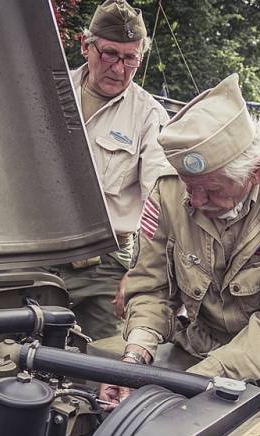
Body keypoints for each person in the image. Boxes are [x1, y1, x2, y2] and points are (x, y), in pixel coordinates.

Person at [99, 74, 260, 405]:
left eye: (212, 189)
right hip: (202, 344)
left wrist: (196, 381)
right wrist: (135, 357)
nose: (196, 202)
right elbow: (151, 286)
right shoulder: (169, 189)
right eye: (191, 186)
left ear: (255, 173)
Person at [57, 0, 170, 341]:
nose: (119, 69)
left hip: (106, 265)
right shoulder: (51, 91)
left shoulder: (148, 115)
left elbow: (160, 201)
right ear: (85, 45)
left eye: (130, 58)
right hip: (38, 253)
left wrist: (138, 274)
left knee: (104, 365)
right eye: (109, 54)